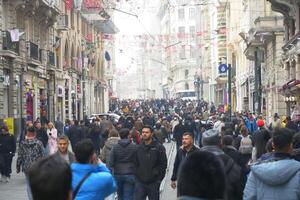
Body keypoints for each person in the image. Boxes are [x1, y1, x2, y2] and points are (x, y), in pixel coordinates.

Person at [244, 128, 300, 200]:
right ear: (291, 145)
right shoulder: (297, 171)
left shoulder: (256, 171)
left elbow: (248, 197)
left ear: (273, 145)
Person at [201, 129, 242, 200]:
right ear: (220, 142)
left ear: (203, 142)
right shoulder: (230, 162)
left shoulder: (191, 161)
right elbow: (238, 189)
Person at [135, 125, 167, 200]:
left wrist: (159, 179)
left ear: (151, 134)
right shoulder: (138, 147)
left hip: (153, 182)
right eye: (143, 132)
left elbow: (163, 164)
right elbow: (135, 163)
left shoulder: (159, 147)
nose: (144, 134)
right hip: (140, 182)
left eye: (147, 132)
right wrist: (136, 177)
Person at [17, 126, 45, 200]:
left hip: (27, 167)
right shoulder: (39, 143)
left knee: (29, 185)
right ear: (35, 133)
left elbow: (20, 156)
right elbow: (43, 155)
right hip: (37, 167)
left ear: (27, 133)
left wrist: (18, 167)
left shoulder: (23, 143)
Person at [109, 128, 138, 200]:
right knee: (129, 195)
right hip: (130, 173)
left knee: (120, 195)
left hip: (118, 174)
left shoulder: (115, 147)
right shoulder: (134, 146)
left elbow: (111, 162)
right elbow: (138, 160)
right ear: (128, 135)